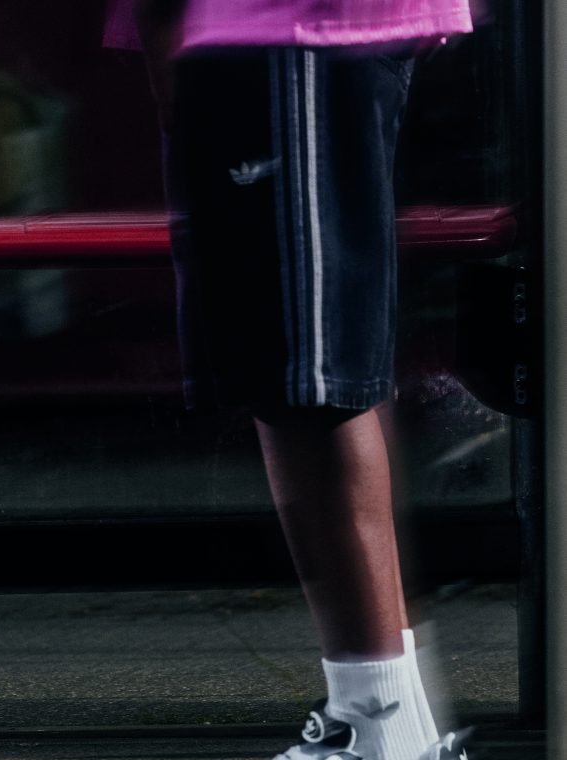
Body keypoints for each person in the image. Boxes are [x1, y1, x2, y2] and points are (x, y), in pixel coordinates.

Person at [112, 1, 475, 758]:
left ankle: (382, 730)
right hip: (266, 33)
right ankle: (381, 722)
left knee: (311, 383)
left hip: (282, 28)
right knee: (300, 377)